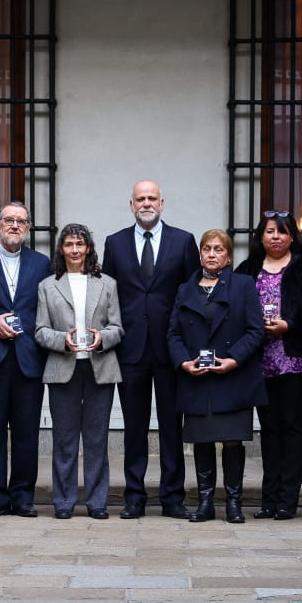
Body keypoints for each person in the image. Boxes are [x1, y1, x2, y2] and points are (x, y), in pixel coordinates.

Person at [102, 179, 200, 519]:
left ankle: (173, 497)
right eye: (140, 199)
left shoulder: (183, 241)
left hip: (172, 349)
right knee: (134, 428)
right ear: (131, 205)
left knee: (172, 426)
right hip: (131, 350)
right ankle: (134, 497)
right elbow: (108, 296)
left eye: (152, 199)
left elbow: (191, 296)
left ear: (162, 203)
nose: (146, 204)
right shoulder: (114, 243)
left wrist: (187, 346)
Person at [168, 228, 265, 524]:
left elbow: (255, 330)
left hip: (231, 377)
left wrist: (233, 359)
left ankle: (233, 503)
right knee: (202, 440)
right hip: (197, 377)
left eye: (218, 249)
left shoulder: (243, 285)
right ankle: (205, 502)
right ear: (200, 253)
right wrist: (184, 362)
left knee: (232, 441)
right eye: (207, 249)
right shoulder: (186, 288)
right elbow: (173, 333)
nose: (211, 254)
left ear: (229, 255)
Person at [235, 211, 302, 519]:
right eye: (270, 231)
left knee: (291, 428)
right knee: (269, 431)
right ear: (261, 236)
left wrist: (289, 324)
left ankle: (288, 499)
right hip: (259, 362)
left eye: (282, 232)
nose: (276, 237)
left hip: (293, 360)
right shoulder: (247, 268)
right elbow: (236, 307)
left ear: (292, 237)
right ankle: (269, 499)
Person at [35, 223, 124, 519]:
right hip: (63, 368)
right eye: (69, 244)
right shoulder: (48, 285)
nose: (75, 250)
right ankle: (63, 502)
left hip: (99, 367)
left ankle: (97, 503)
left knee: (97, 438)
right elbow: (40, 331)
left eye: (80, 244)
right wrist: (63, 340)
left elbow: (117, 327)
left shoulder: (107, 283)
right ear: (61, 249)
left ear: (88, 249)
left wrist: (102, 338)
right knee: (64, 438)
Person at [0, 201, 52, 518]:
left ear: (28, 227)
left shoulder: (41, 263)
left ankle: (22, 495)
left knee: (25, 430)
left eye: (22, 221)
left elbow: (46, 309)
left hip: (28, 357)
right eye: (9, 220)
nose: (15, 226)